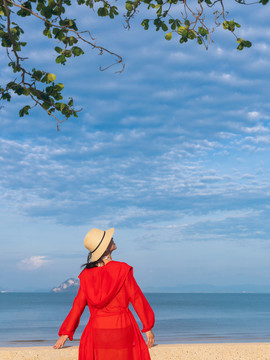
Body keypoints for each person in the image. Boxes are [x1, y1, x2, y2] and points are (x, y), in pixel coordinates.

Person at [53, 227, 155, 360]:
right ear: (105, 247)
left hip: (97, 331)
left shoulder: (86, 275)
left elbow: (78, 305)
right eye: (109, 238)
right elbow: (136, 298)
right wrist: (147, 327)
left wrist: (66, 333)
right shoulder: (122, 269)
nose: (113, 238)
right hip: (122, 327)